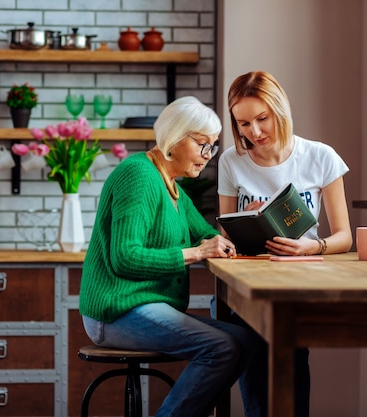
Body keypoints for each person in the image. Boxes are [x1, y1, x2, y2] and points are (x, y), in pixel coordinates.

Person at [79, 95, 260, 417]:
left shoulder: (173, 187)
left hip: (146, 307)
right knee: (221, 347)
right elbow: (125, 257)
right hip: (116, 311)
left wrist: (248, 222)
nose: (208, 156)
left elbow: (206, 235)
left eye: (212, 146)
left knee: (247, 340)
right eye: (202, 144)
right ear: (174, 139)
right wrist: (195, 253)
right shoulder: (138, 176)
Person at [217, 71, 353, 416]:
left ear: (280, 111)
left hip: (299, 279)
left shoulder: (320, 157)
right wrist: (245, 218)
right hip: (250, 282)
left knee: (291, 362)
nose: (255, 132)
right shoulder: (232, 161)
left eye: (262, 119)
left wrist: (314, 247)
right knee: (254, 366)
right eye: (244, 123)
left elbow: (344, 237)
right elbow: (225, 235)